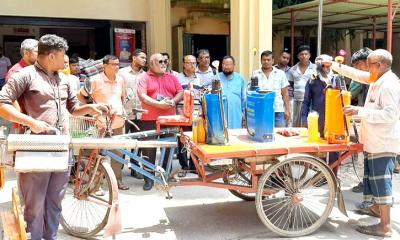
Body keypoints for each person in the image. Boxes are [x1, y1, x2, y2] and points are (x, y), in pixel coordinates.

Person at [0, 34, 109, 240]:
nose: (65, 59)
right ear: (51, 56)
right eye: (63, 55)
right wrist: (30, 122)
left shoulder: (64, 79)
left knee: (55, 202)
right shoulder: (25, 76)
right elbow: (2, 104)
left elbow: (73, 108)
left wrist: (90, 108)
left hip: (61, 148)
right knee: (34, 205)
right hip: (35, 149)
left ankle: (51, 237)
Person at [342, 49, 400, 237]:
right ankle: (375, 208)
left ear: (380, 65)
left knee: (381, 182)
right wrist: (334, 66)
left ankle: (385, 226)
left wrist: (359, 111)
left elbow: (390, 115)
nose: (366, 68)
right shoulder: (377, 79)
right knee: (373, 180)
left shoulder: (389, 84)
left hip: (384, 142)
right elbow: (357, 74)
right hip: (373, 140)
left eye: (369, 64)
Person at [80, 55, 129, 191]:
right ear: (104, 66)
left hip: (118, 122)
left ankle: (117, 181)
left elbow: (122, 97)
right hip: (100, 123)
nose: (116, 67)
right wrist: (90, 110)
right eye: (113, 64)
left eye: (118, 64)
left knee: (118, 153)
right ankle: (96, 185)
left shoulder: (120, 80)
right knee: (97, 153)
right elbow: (80, 95)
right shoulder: (94, 80)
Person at [138, 53, 183, 190]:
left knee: (168, 148)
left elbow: (180, 92)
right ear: (151, 64)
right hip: (149, 119)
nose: (164, 64)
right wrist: (159, 105)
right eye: (160, 61)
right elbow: (143, 96)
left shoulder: (172, 77)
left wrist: (173, 101)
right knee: (149, 149)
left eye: (165, 61)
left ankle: (164, 175)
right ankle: (149, 178)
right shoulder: (144, 77)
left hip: (169, 119)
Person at [300, 54, 340, 175]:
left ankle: (333, 175)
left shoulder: (336, 78)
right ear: (319, 66)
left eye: (329, 65)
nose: (327, 68)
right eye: (324, 65)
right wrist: (304, 120)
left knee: (335, 148)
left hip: (335, 119)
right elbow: (306, 101)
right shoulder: (312, 80)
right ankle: (321, 175)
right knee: (320, 147)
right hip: (318, 118)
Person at [118, 49, 147, 179]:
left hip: (140, 114)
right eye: (142, 57)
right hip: (125, 113)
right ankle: (118, 168)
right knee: (122, 142)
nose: (144, 60)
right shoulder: (121, 73)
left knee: (138, 143)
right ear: (134, 58)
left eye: (145, 58)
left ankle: (135, 168)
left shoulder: (146, 75)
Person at [176, 54, 205, 171]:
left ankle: (194, 164)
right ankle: (184, 164)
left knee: (195, 138)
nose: (192, 65)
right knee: (182, 138)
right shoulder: (178, 77)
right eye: (189, 63)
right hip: (182, 112)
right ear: (184, 64)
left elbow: (202, 96)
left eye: (194, 63)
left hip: (196, 112)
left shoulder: (199, 78)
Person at [252, 50, 290, 127]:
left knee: (279, 135)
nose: (266, 62)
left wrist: (287, 110)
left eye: (268, 60)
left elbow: (285, 93)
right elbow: (253, 93)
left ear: (272, 61)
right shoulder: (255, 74)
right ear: (261, 61)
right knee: (262, 134)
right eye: (264, 60)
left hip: (278, 110)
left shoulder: (280, 74)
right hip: (261, 110)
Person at [287, 45, 316, 127]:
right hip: (296, 101)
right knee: (296, 123)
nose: (304, 56)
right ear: (298, 56)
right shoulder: (292, 69)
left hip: (310, 101)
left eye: (306, 54)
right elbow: (290, 86)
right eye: (301, 54)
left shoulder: (315, 68)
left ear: (309, 55)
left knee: (309, 123)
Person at [219, 55, 246, 129]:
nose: (227, 67)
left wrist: (245, 115)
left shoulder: (240, 78)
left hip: (236, 115)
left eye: (229, 65)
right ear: (221, 65)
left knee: (235, 136)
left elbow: (244, 98)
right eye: (224, 64)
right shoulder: (216, 78)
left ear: (234, 65)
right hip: (220, 115)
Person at [274, 48, 293, 125]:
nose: (285, 60)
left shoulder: (291, 71)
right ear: (279, 57)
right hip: (277, 101)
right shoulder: (273, 70)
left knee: (288, 122)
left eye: (287, 58)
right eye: (284, 57)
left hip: (289, 101)